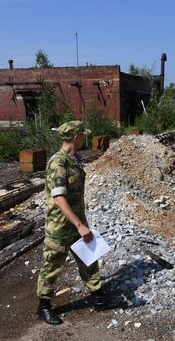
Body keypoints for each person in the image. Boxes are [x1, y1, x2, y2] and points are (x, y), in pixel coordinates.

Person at [37, 120, 121, 325]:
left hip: (77, 221)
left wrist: (81, 222)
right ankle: (44, 306)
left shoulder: (74, 158)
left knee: (89, 258)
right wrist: (79, 225)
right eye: (82, 136)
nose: (84, 138)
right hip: (61, 226)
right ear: (76, 138)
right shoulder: (58, 163)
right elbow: (58, 198)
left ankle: (98, 298)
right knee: (53, 265)